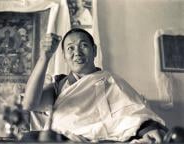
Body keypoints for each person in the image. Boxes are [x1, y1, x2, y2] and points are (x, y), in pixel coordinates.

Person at [23, 28, 167, 143]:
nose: (77, 53)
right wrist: (44, 57)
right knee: (29, 138)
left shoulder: (111, 81)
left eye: (84, 45)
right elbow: (29, 104)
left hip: (109, 139)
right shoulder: (60, 84)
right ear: (64, 57)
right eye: (70, 48)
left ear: (94, 51)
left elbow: (134, 110)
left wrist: (149, 130)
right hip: (66, 139)